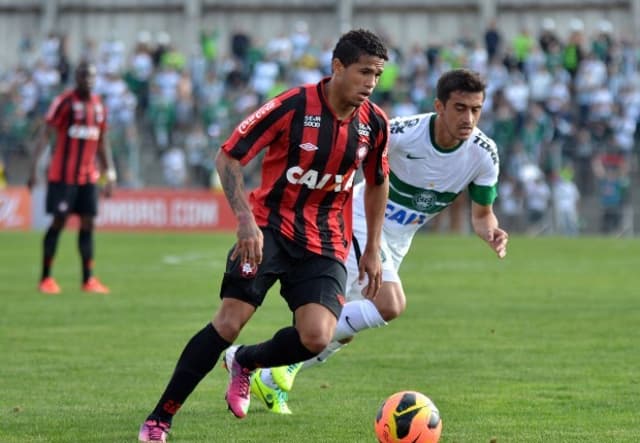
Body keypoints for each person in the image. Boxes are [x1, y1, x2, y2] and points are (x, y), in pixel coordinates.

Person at [137, 28, 390, 442]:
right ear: (338, 67)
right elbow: (229, 157)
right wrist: (243, 220)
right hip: (267, 228)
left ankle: (246, 362)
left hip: (324, 240)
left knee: (316, 336)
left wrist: (373, 248)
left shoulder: (374, 124)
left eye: (377, 75)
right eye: (364, 72)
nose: (371, 83)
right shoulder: (293, 105)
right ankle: (160, 418)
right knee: (229, 321)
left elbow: (378, 181)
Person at [253, 68, 509, 414]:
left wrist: (491, 231)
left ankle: (268, 377)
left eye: (476, 109)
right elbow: (349, 156)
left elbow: (481, 216)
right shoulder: (402, 133)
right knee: (389, 304)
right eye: (460, 108)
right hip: (360, 220)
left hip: (399, 239)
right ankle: (263, 360)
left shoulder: (484, 154)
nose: (469, 118)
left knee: (345, 330)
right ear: (439, 106)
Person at [27, 60, 116, 295]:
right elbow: (45, 135)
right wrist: (33, 168)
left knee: (88, 223)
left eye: (91, 77)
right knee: (59, 221)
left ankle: (88, 280)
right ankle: (45, 278)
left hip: (88, 177)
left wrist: (109, 173)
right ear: (76, 78)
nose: (88, 81)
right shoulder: (64, 102)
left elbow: (102, 141)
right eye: (84, 76)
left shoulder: (99, 106)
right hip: (63, 177)